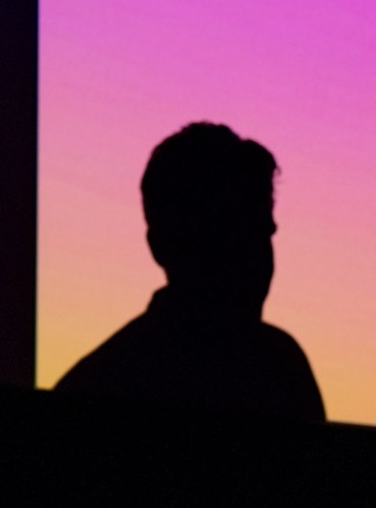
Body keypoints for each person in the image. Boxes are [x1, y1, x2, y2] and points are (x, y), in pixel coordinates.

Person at [55, 122, 325, 423]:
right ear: (163, 245)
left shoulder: (282, 366)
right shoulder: (280, 368)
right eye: (223, 234)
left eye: (257, 232)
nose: (248, 259)